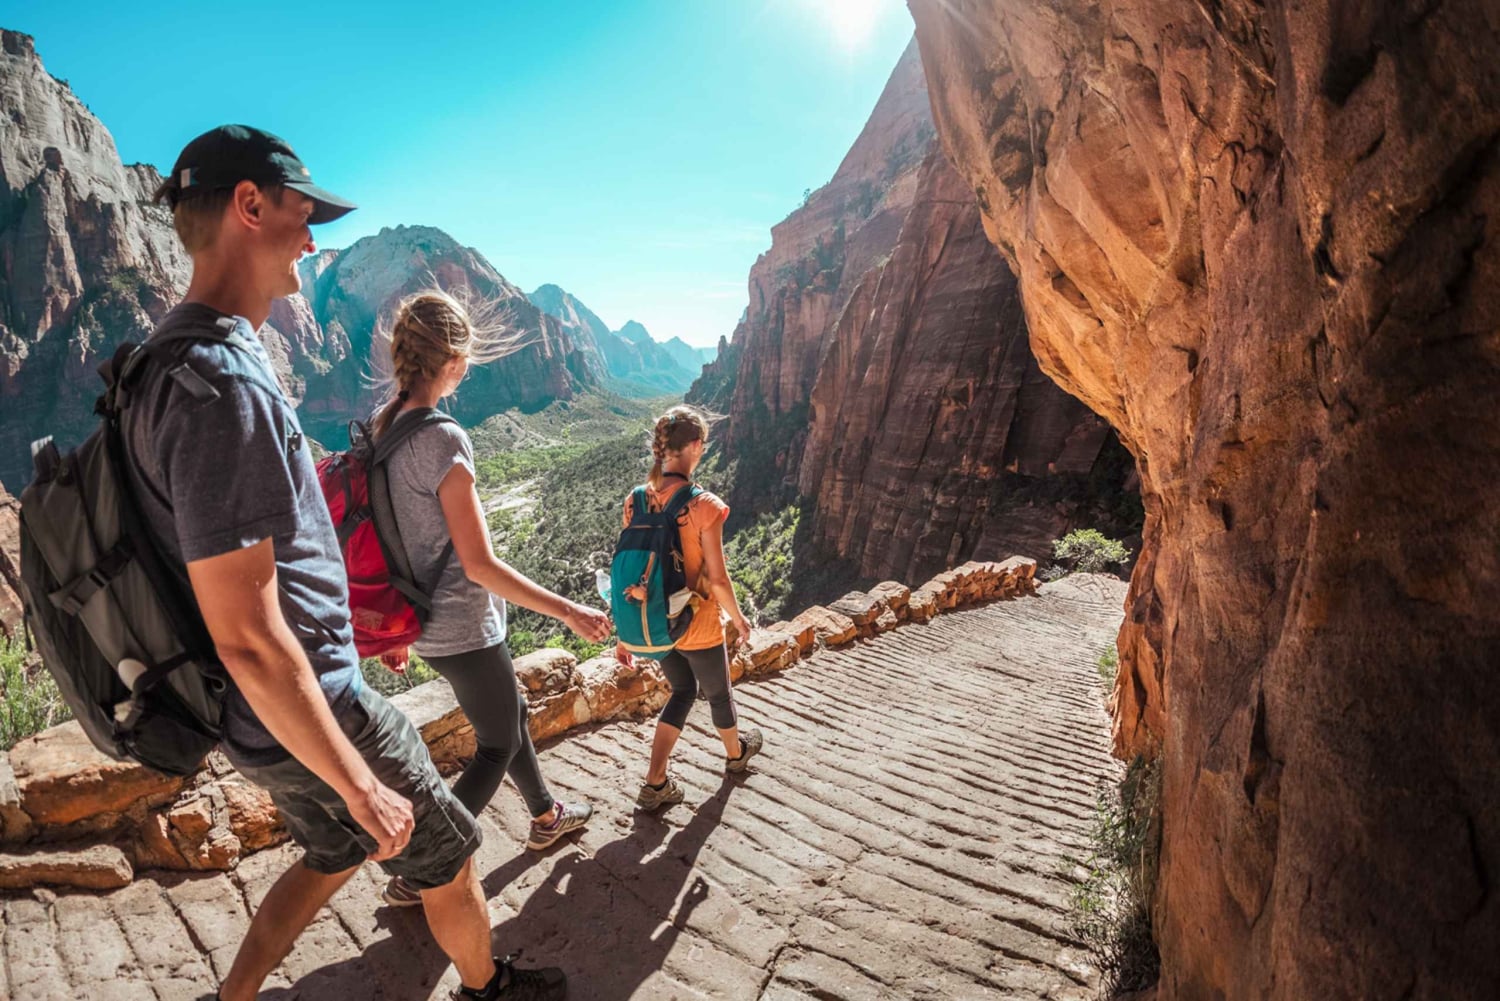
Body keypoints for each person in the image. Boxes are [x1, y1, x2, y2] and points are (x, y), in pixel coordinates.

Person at [136, 125, 562, 1001]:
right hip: (315, 705)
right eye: (304, 212)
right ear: (250, 206)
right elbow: (251, 634)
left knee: (332, 849)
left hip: (251, 714)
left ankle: (235, 993)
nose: (314, 238)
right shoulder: (223, 383)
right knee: (447, 849)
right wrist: (357, 782)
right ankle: (492, 989)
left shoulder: (156, 364)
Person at [371, 289, 612, 907]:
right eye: (465, 357)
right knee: (496, 742)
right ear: (451, 358)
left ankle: (546, 814)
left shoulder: (385, 423)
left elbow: (390, 535)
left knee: (509, 719)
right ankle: (424, 870)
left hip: (423, 621)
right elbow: (479, 565)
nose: (469, 368)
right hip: (462, 625)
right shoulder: (443, 437)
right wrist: (568, 610)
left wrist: (396, 630)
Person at [617, 406, 765, 811]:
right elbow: (717, 579)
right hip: (695, 622)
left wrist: (623, 631)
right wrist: (738, 618)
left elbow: (632, 565)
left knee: (682, 690)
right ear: (697, 446)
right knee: (719, 694)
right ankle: (736, 756)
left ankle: (655, 781)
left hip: (655, 623)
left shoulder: (635, 500)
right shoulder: (705, 506)